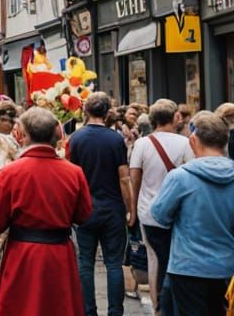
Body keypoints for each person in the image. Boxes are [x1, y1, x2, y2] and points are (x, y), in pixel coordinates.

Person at [0, 105, 93, 316]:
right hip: (59, 253)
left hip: (23, 254)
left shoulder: (11, 172)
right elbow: (83, 215)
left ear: (23, 135)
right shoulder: (74, 173)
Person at [147, 111, 234, 316]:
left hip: (188, 267)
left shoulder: (180, 177)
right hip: (227, 266)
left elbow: (159, 215)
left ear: (193, 140)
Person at [67, 92, 133, 316]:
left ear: (86, 112)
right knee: (113, 263)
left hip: (84, 207)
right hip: (112, 207)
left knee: (85, 263)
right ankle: (115, 312)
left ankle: (89, 311)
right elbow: (124, 177)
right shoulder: (115, 139)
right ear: (107, 113)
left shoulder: (76, 138)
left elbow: (70, 175)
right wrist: (130, 208)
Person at [129, 98, 192, 316]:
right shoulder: (185, 143)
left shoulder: (142, 144)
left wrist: (133, 208)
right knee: (177, 257)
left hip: (149, 212)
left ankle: (158, 307)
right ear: (174, 117)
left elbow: (134, 178)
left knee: (154, 258)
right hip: (178, 211)